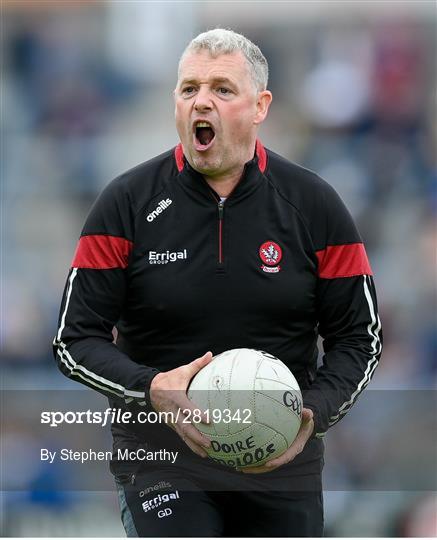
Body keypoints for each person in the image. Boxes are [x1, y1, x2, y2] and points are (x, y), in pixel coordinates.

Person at [53, 28, 382, 537]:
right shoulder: (125, 203)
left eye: (222, 89)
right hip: (161, 457)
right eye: (189, 89)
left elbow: (360, 338)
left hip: (279, 461)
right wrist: (150, 388)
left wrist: (312, 414)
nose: (201, 101)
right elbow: (74, 341)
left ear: (260, 106)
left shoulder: (315, 206)